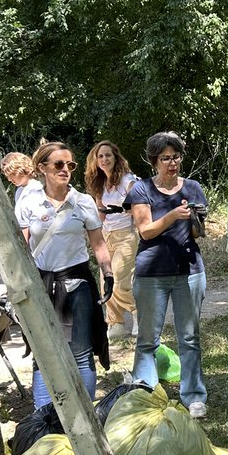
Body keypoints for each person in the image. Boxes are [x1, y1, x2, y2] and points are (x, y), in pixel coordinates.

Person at [15, 141, 113, 409]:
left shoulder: (82, 202)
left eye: (70, 164)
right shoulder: (29, 203)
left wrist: (108, 273)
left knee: (81, 354)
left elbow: (99, 244)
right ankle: (44, 421)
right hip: (41, 283)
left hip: (78, 282)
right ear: (41, 168)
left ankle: (86, 418)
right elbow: (20, 249)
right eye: (58, 164)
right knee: (43, 354)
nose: (65, 169)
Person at [128, 131, 209, 419]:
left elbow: (198, 233)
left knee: (189, 337)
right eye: (166, 158)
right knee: (149, 338)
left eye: (176, 157)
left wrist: (196, 220)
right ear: (154, 161)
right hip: (152, 272)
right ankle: (144, 394)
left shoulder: (194, 187)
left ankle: (194, 396)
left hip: (189, 271)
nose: (172, 163)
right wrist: (173, 215)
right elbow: (145, 230)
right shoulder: (141, 190)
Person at [84, 140, 138, 340]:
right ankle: (116, 322)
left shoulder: (127, 181)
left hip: (126, 234)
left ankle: (138, 312)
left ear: (116, 157)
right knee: (106, 280)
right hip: (106, 236)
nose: (104, 159)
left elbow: (140, 207)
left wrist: (123, 208)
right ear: (96, 161)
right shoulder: (99, 183)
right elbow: (101, 215)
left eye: (108, 155)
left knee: (120, 280)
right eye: (100, 156)